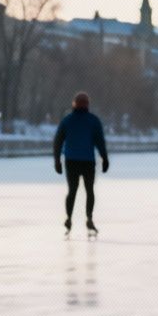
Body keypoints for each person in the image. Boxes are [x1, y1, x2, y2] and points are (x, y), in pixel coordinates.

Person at [52, 92, 109, 236]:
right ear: (87, 105)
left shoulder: (67, 120)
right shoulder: (93, 121)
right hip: (88, 161)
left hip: (71, 161)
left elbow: (58, 141)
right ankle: (89, 217)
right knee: (89, 190)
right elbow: (100, 142)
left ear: (74, 104)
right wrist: (104, 158)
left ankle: (69, 218)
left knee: (72, 190)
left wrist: (57, 160)